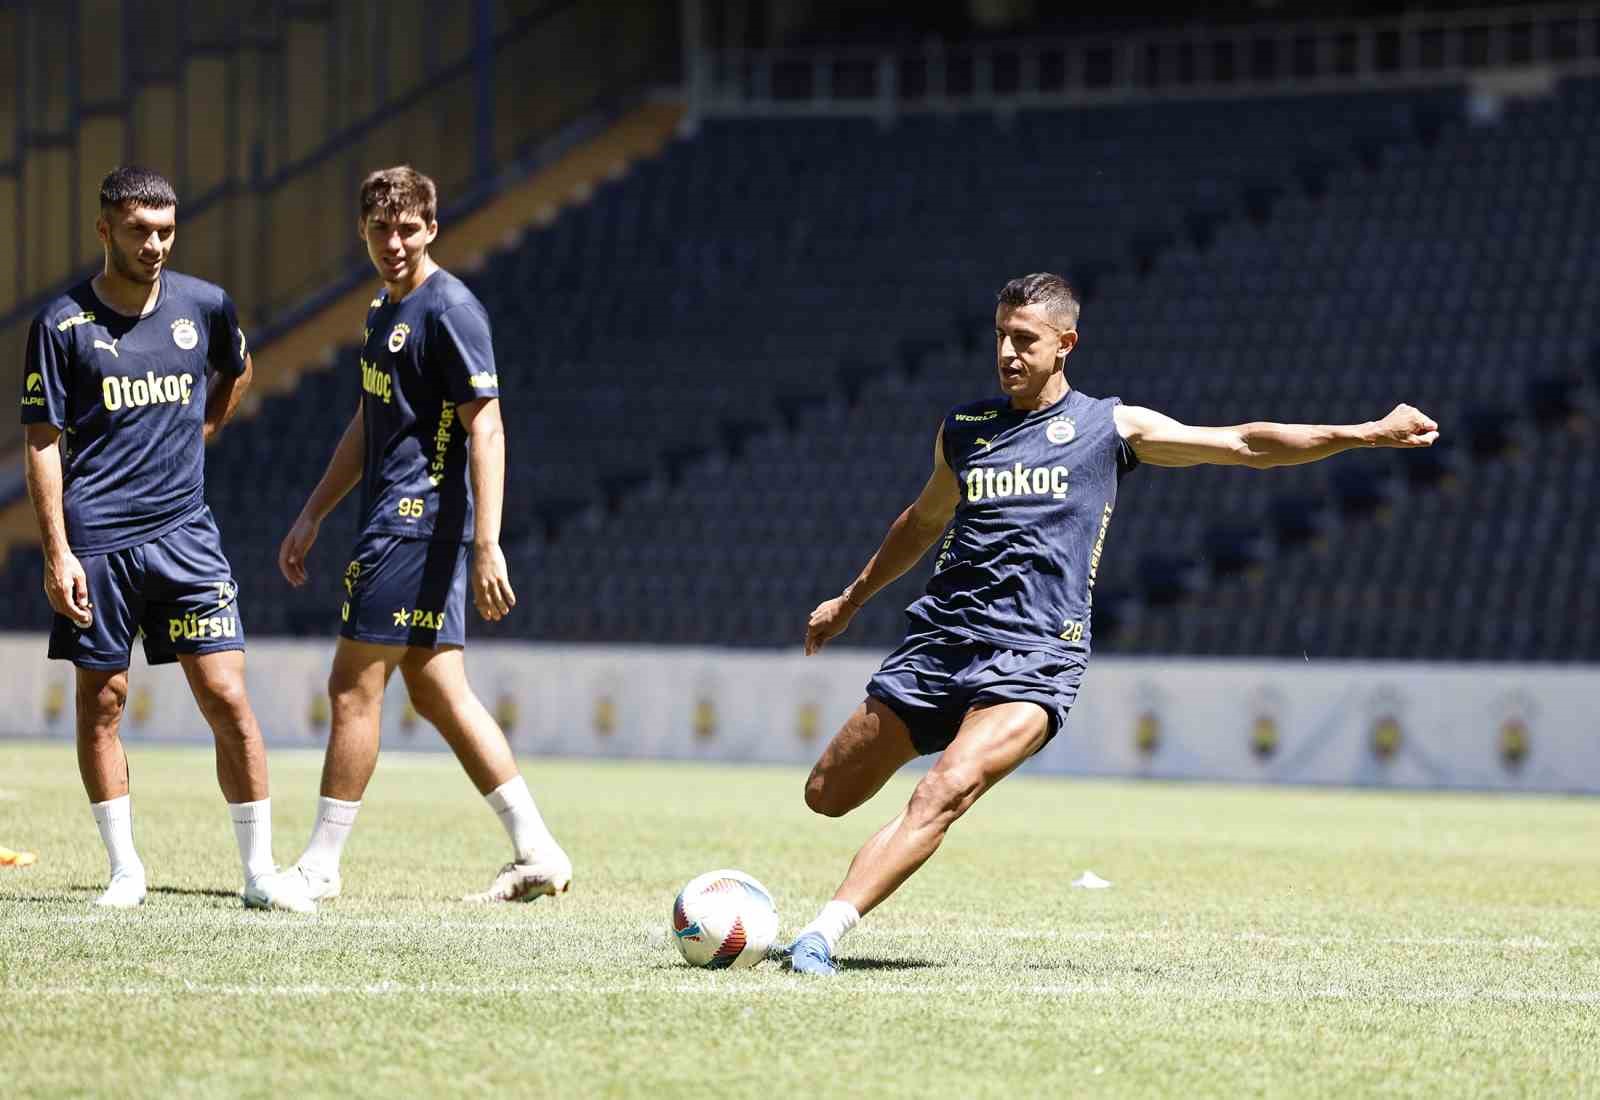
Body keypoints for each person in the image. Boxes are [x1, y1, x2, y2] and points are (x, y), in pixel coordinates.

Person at [781, 272, 1438, 974]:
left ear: (1066, 344)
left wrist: (1369, 433)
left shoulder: (1109, 427)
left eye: (1024, 340)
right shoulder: (964, 430)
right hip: (941, 642)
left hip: (1035, 656)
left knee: (943, 791)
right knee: (827, 795)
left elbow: (1246, 444)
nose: (1006, 352)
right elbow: (922, 521)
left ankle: (822, 935)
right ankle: (893, 788)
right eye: (1000, 336)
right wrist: (850, 600)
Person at [21, 166, 313, 911]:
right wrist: (57, 550)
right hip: (98, 539)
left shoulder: (204, 305)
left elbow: (237, 370)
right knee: (104, 700)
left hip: (186, 534)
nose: (154, 245)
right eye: (139, 230)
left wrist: (203, 429)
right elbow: (44, 441)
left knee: (227, 697)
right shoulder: (60, 325)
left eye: (166, 231)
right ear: (104, 230)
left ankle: (259, 874)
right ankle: (126, 871)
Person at [277, 166, 571, 903]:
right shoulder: (384, 309)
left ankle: (318, 866)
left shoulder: (451, 310)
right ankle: (537, 848)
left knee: (351, 688)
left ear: (433, 228)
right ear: (364, 232)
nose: (395, 242)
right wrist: (314, 509)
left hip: (414, 526)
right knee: (439, 690)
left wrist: (487, 543)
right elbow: (368, 421)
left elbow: (489, 428)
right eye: (381, 229)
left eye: (409, 228)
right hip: (404, 524)